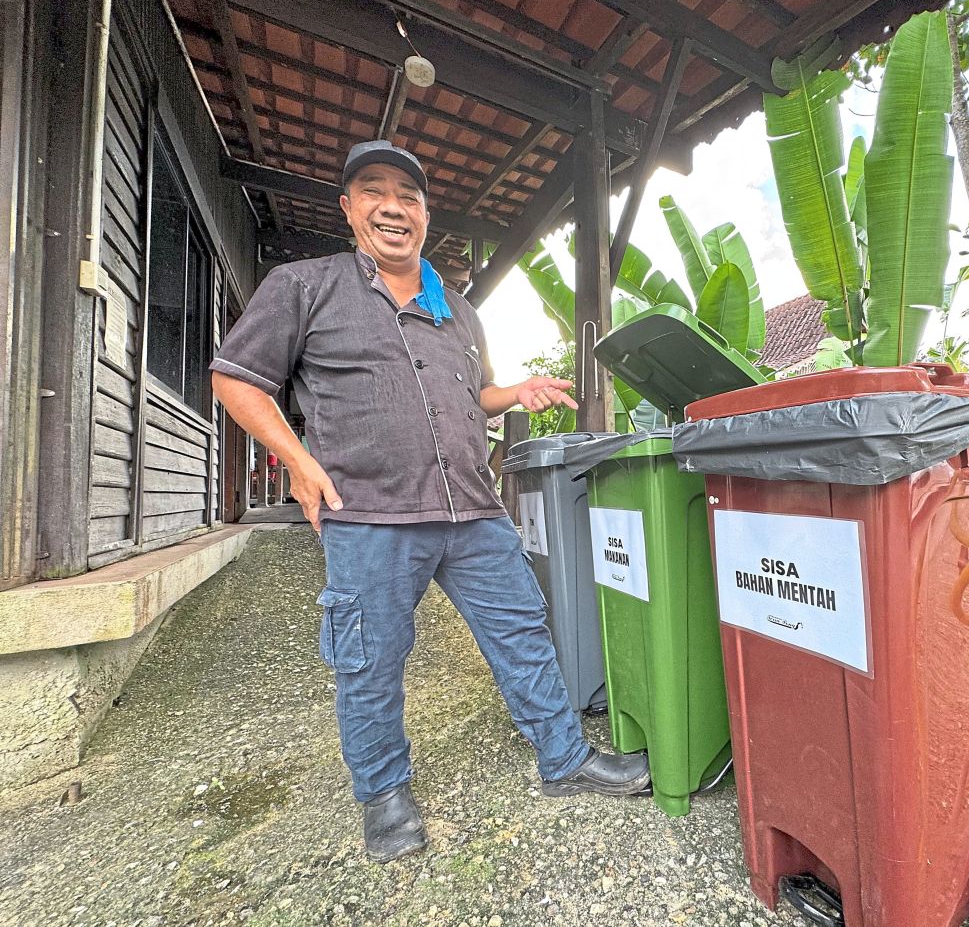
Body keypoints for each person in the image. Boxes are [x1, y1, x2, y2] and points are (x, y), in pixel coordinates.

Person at [209, 140, 649, 863]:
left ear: (424, 213)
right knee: (370, 662)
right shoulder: (304, 286)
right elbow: (236, 379)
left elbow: (471, 396)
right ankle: (384, 797)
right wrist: (297, 461)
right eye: (374, 191)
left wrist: (515, 394)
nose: (393, 206)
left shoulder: (459, 312)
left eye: (408, 196)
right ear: (349, 209)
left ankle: (564, 760)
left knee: (524, 635)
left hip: (474, 512)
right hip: (370, 515)